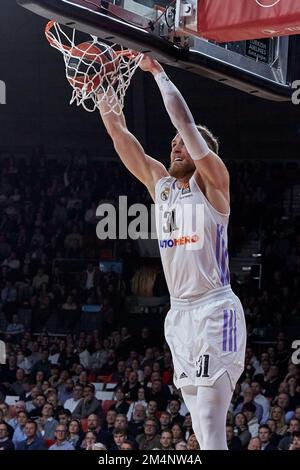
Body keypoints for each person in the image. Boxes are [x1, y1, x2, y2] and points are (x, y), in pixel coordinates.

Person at [98, 55, 246, 449]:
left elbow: (184, 123)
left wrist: (159, 73)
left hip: (216, 309)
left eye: (184, 144)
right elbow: (119, 135)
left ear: (203, 154)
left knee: (212, 421)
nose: (176, 146)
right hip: (179, 315)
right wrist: (101, 86)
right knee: (198, 422)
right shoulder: (160, 186)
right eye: (174, 144)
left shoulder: (214, 184)